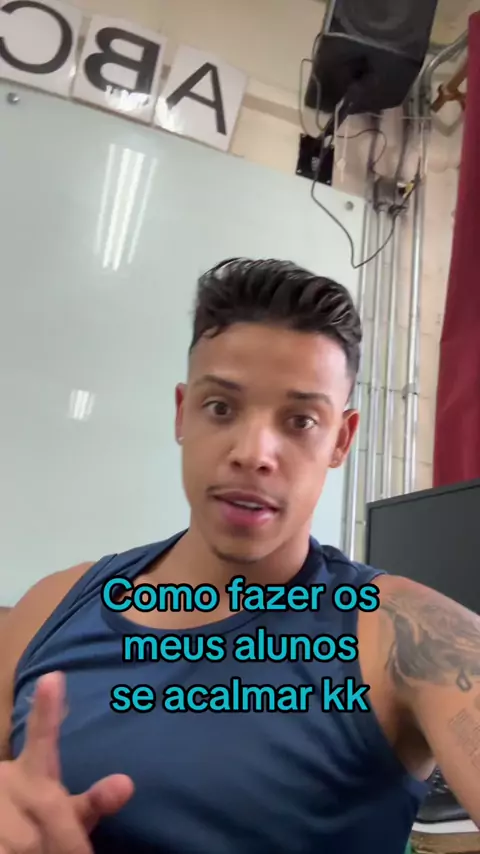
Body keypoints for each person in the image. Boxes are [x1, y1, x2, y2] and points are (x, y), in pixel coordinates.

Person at [0, 257, 479, 854]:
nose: (254, 453)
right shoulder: (51, 609)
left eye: (300, 420)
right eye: (221, 408)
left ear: (341, 440)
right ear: (183, 413)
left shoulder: (406, 638)